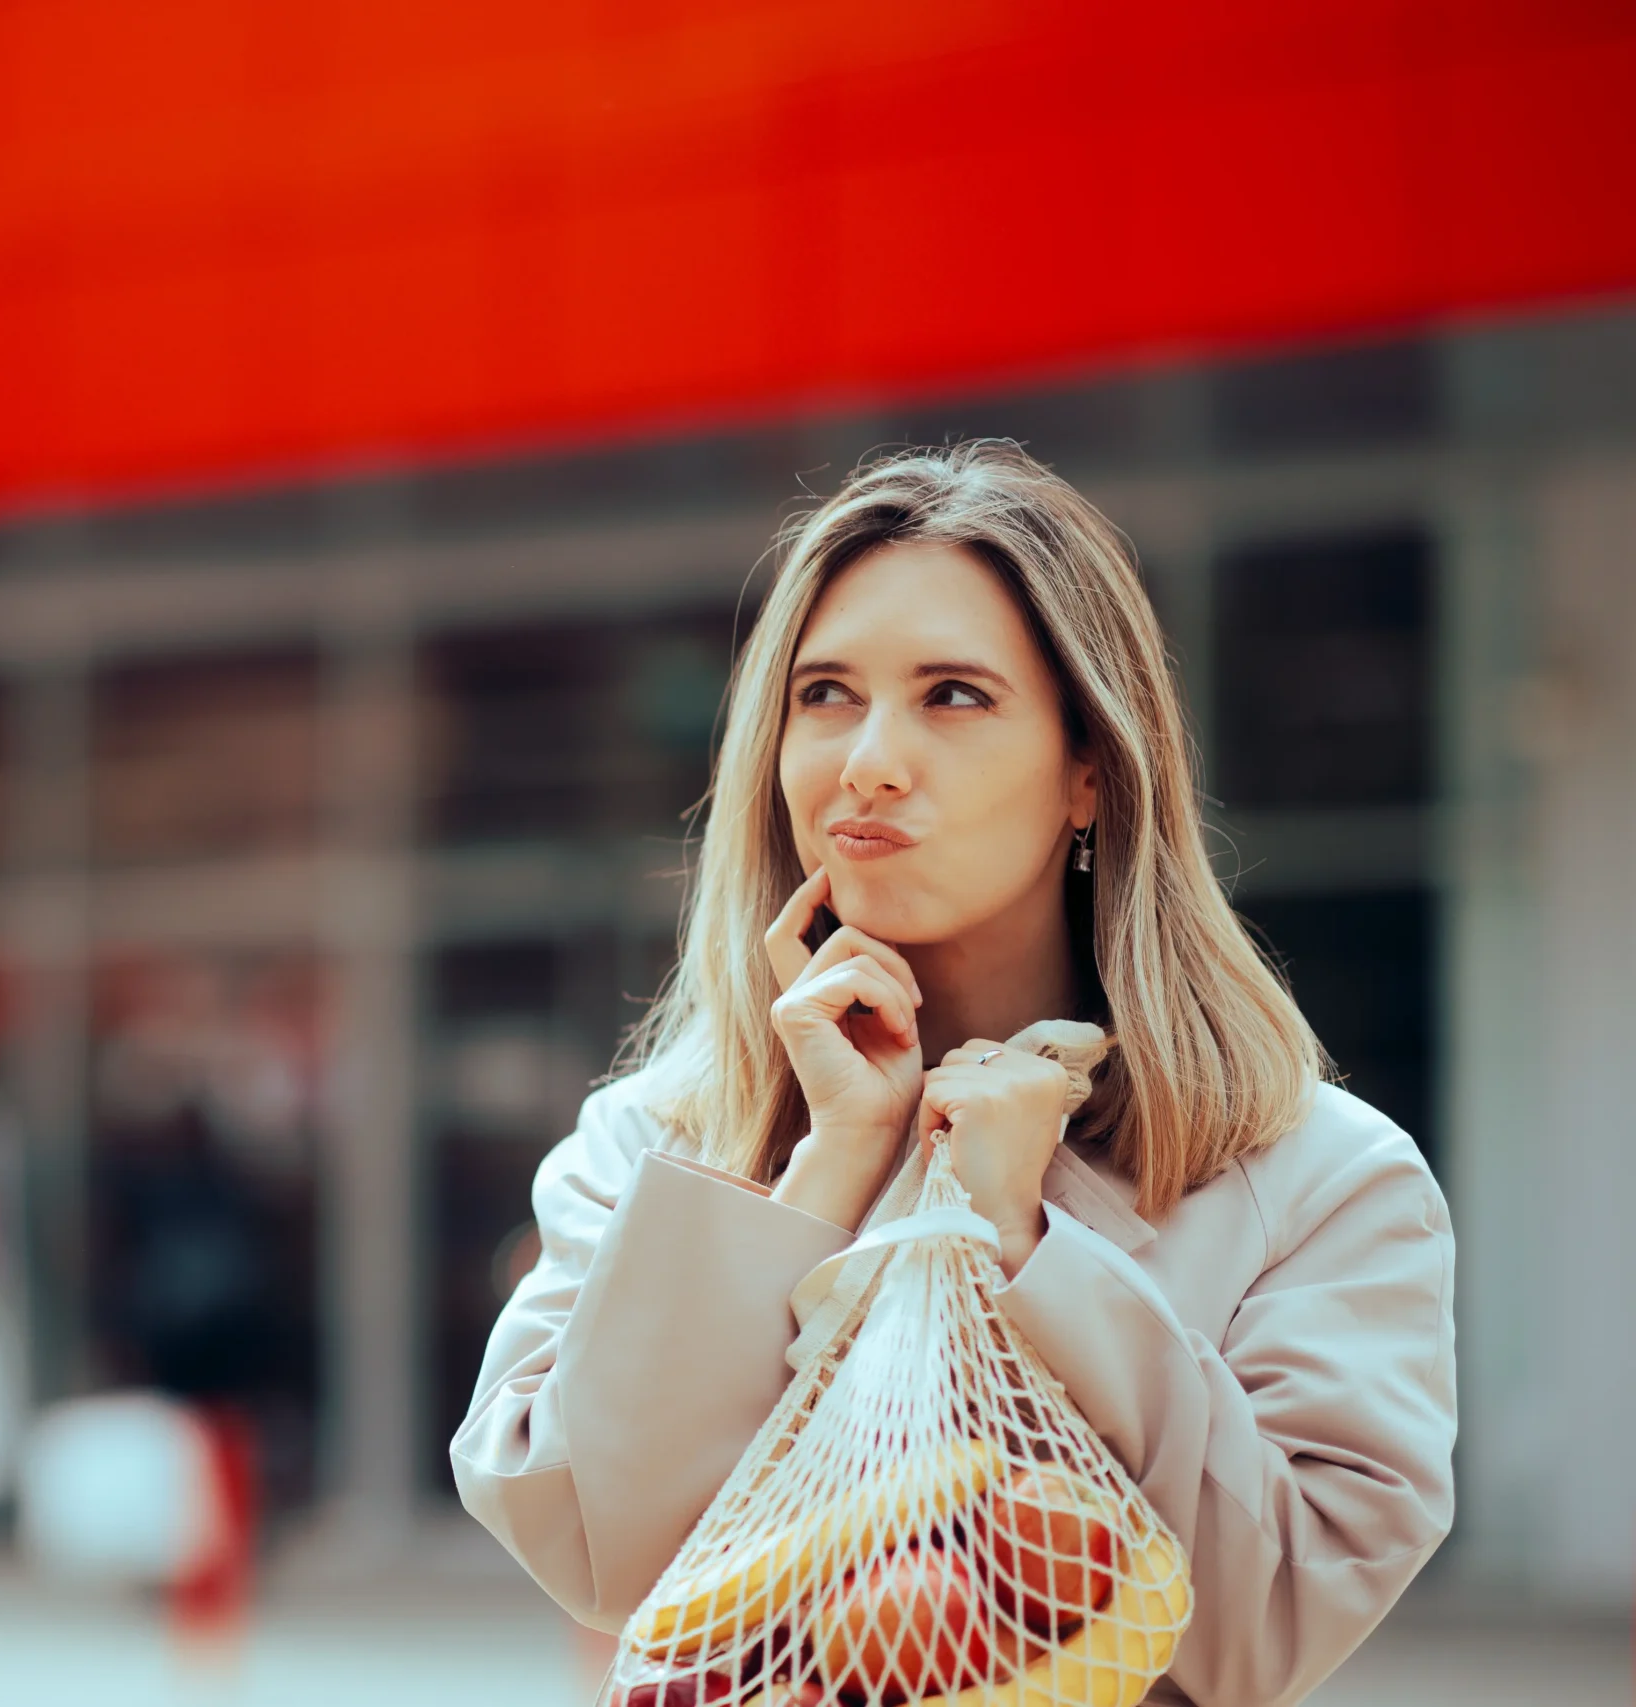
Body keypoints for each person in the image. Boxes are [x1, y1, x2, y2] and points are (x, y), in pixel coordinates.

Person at [451, 443, 1455, 1707]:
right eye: (825, 693)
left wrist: (1029, 1243)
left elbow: (1267, 1626)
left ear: (1090, 770)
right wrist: (820, 1174)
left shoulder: (1318, 1178)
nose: (867, 760)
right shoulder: (653, 1140)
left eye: (954, 695)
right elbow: (596, 1550)